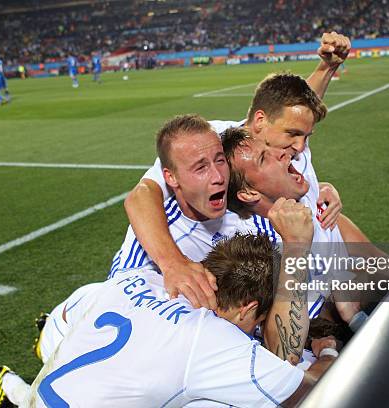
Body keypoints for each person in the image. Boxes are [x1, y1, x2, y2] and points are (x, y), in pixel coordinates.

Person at [0, 225, 339, 407]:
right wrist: (327, 351)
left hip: (56, 340)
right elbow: (309, 392)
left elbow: (63, 317)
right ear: (249, 308)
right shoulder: (218, 342)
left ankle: (14, 390)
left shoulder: (140, 278)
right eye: (260, 321)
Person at [122, 32, 352, 312]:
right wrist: (174, 264)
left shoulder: (285, 143)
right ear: (259, 123)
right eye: (292, 134)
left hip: (326, 272)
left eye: (304, 135)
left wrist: (327, 68)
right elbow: (142, 194)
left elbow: (296, 111)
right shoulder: (211, 142)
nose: (300, 146)